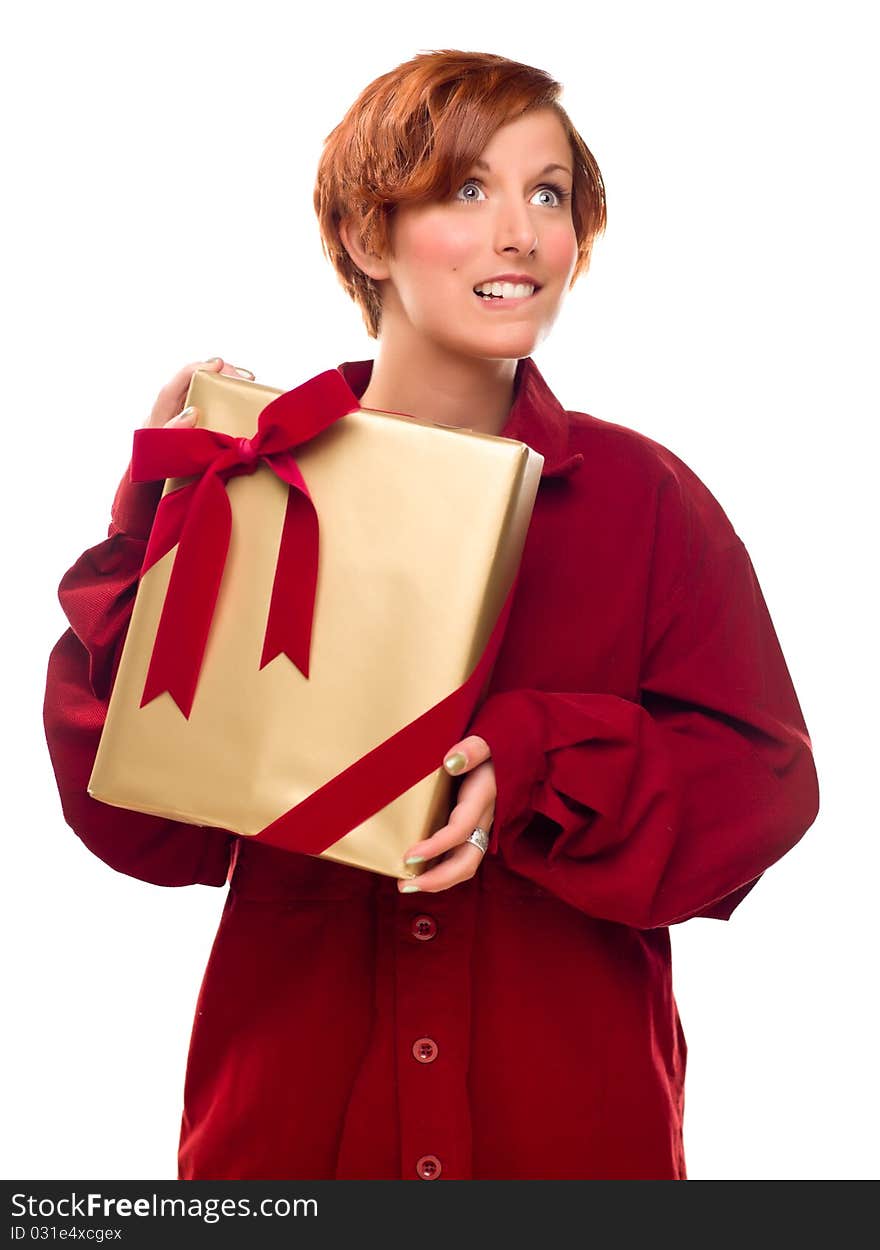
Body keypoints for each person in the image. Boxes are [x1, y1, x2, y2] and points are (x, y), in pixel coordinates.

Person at [42, 49, 820, 1181]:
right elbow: (141, 819)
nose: (520, 231)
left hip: (568, 1147)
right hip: (290, 1152)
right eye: (468, 189)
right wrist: (154, 521)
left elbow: (764, 786)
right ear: (368, 236)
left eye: (546, 193)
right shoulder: (256, 482)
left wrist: (539, 763)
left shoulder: (646, 501)